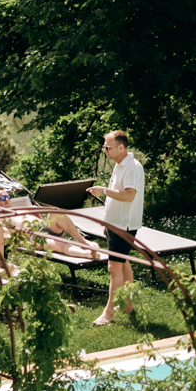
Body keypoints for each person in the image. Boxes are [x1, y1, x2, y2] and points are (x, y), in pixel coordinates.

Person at [87, 130, 143, 325]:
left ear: (121, 147)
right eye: (104, 146)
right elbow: (118, 197)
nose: (104, 150)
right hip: (115, 223)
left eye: (107, 147)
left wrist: (102, 190)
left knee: (113, 268)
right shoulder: (121, 165)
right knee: (123, 262)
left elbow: (128, 195)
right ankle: (128, 305)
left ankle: (108, 314)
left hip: (124, 225)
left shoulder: (132, 168)